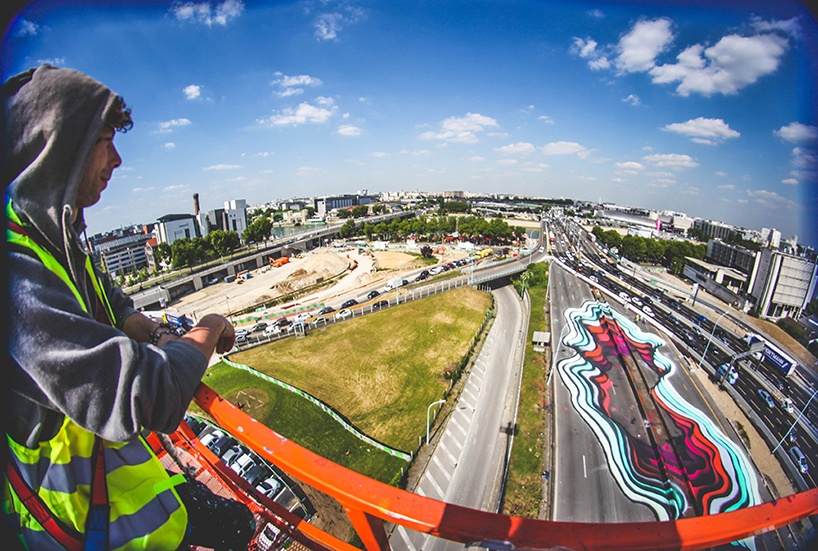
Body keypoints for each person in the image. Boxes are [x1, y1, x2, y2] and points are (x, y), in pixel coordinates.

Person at [3, 65, 254, 550]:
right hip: (81, 522)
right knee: (236, 526)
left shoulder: (57, 241)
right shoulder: (15, 274)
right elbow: (144, 392)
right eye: (103, 140)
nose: (117, 159)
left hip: (112, 491)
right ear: (57, 151)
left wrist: (154, 330)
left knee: (231, 523)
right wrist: (206, 328)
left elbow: (113, 306)